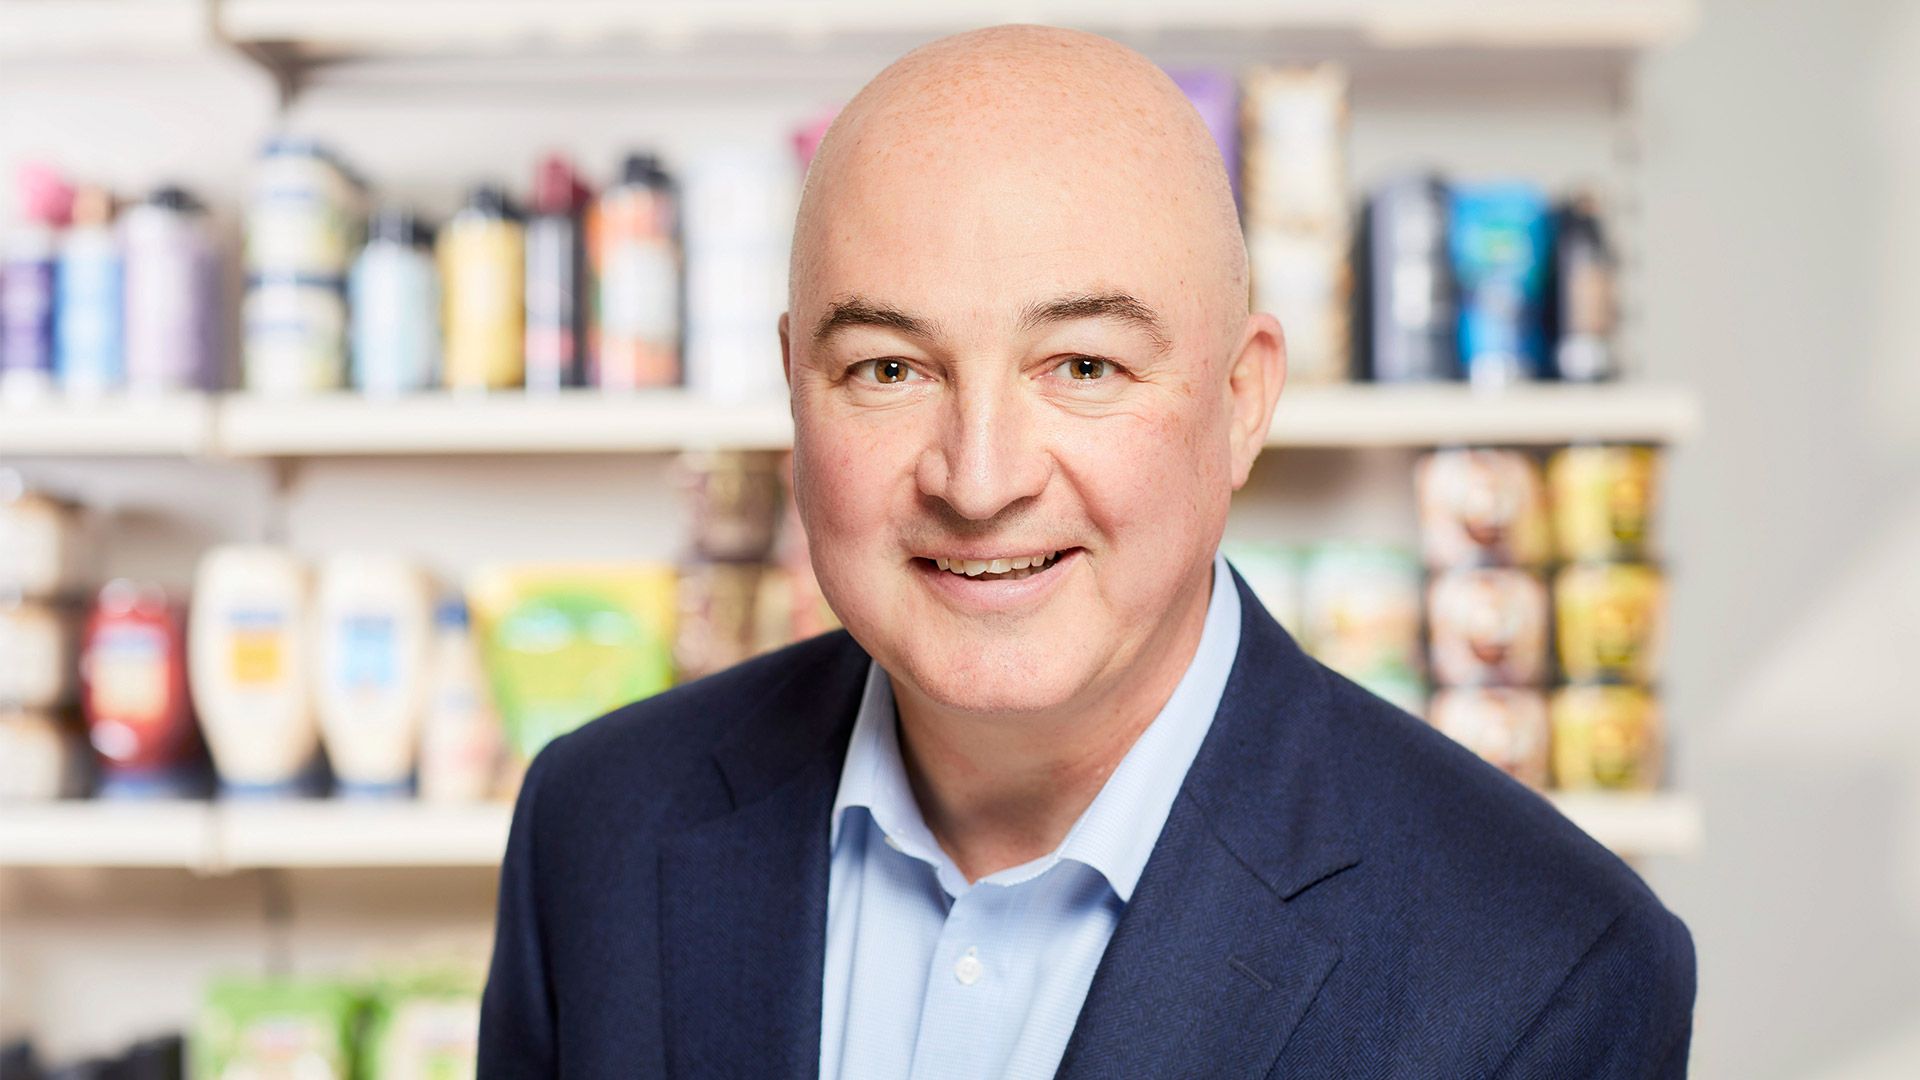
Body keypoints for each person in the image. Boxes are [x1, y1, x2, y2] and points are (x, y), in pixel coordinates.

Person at [479, 25, 1695, 1079]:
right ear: (796, 387)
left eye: (1083, 366)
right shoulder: (597, 825)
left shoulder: (1547, 965)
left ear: (1242, 401)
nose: (980, 479)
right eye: (889, 369)